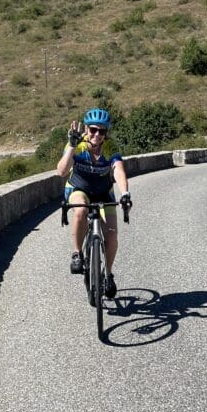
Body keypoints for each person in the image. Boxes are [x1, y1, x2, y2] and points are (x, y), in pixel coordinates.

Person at [57, 107, 131, 298]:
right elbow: (62, 171)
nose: (97, 135)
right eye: (93, 130)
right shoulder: (78, 144)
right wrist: (71, 146)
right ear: (86, 129)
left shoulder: (110, 148)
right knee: (80, 210)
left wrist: (125, 193)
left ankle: (108, 274)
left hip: (104, 192)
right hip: (78, 188)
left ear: (107, 132)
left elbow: (119, 171)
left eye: (102, 131)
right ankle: (77, 254)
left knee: (112, 235)